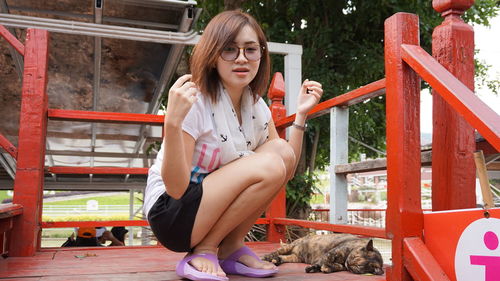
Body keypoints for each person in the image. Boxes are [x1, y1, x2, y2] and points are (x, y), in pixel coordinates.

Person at [143, 10, 323, 281]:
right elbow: (176, 189)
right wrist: (172, 124)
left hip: (210, 208)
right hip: (173, 214)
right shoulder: (197, 100)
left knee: (280, 154)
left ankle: (230, 246)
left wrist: (300, 115)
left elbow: (286, 166)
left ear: (261, 55)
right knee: (271, 161)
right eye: (229, 49)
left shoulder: (256, 105)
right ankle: (205, 248)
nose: (241, 58)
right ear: (213, 55)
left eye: (250, 49)